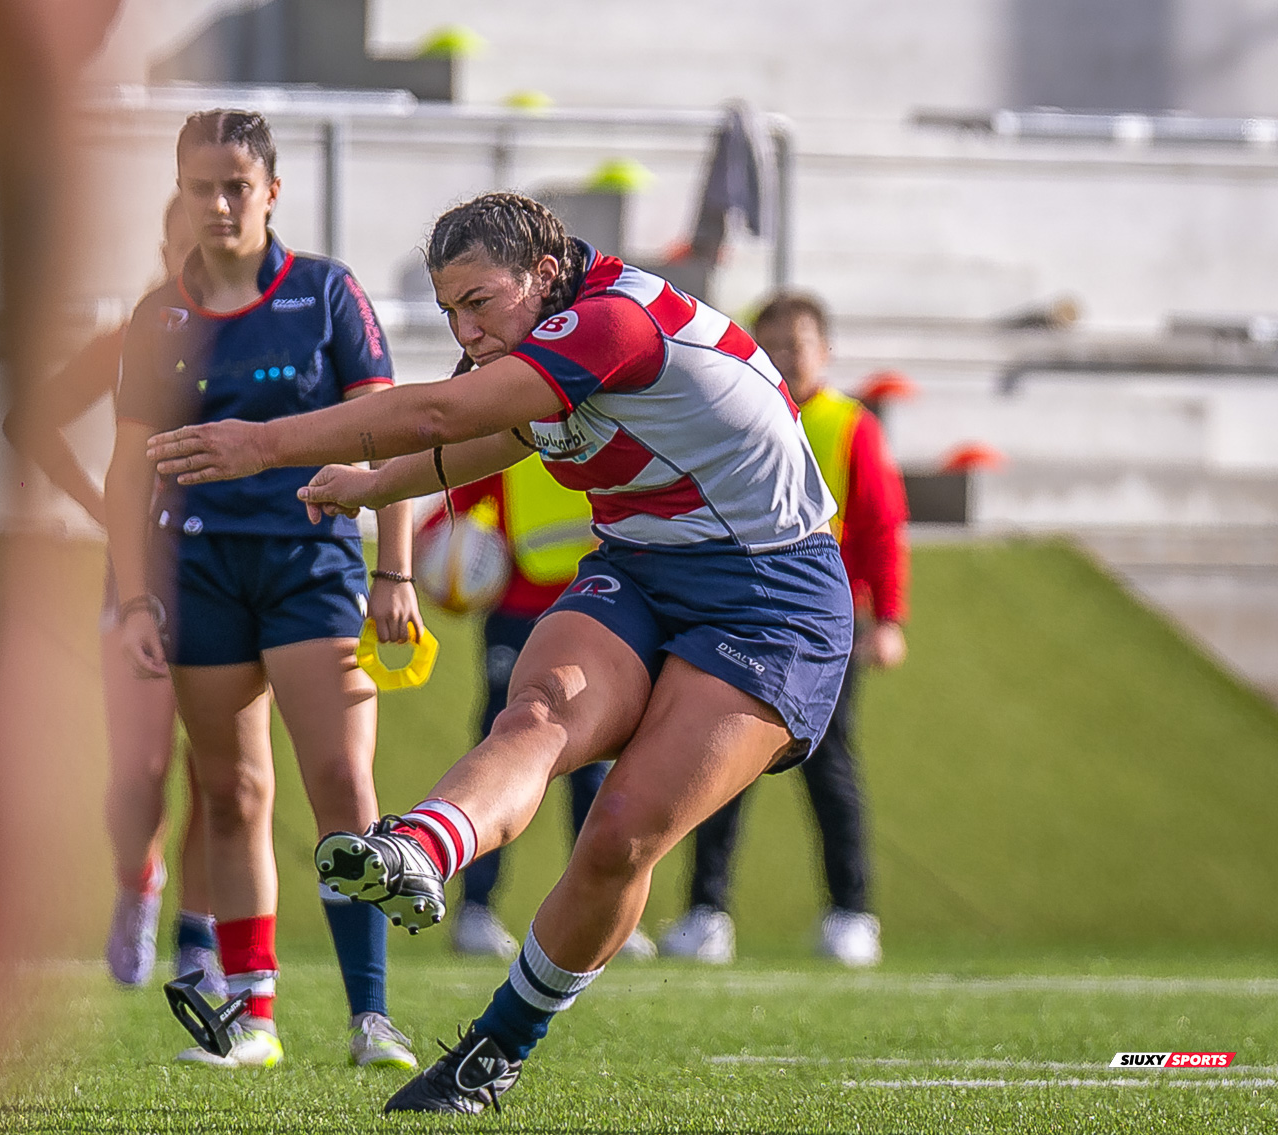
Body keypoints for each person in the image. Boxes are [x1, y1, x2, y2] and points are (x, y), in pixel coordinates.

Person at [148, 192, 853, 1113]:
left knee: (620, 834)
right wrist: (372, 484)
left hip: (773, 600)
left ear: (545, 276)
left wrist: (263, 444)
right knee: (540, 710)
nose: (463, 326)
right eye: (448, 308)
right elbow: (497, 436)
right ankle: (419, 851)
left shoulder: (611, 323)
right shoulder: (544, 341)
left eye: (478, 301)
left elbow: (441, 415)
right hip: (641, 571)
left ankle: (495, 1049)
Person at [104, 110, 421, 1070]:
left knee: (341, 780)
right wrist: (132, 598)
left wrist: (393, 568)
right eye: (201, 185)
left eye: (238, 184)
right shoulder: (158, 317)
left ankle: (372, 1016)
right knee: (234, 791)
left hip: (312, 566)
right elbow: (128, 472)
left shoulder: (327, 294)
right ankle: (254, 1016)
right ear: (180, 191)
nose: (220, 202)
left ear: (273, 191)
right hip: (200, 573)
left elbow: (391, 436)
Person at [4, 197, 222, 993]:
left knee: (224, 773)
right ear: (163, 249)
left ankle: (199, 935)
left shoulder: (276, 334)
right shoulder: (136, 338)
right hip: (141, 578)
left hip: (241, 575)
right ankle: (138, 887)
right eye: (183, 244)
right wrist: (108, 511)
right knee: (138, 772)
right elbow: (31, 417)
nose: (200, 256)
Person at [661, 291, 908, 968]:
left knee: (828, 765)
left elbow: (883, 524)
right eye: (770, 342)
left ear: (824, 352)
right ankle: (706, 913)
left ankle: (852, 913)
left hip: (826, 625)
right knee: (720, 759)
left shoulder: (850, 424)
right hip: (739, 611)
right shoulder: (734, 412)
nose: (784, 356)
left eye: (797, 343)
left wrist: (887, 618)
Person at [435, 458, 657, 962]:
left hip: (601, 614)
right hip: (517, 616)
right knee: (503, 754)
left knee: (595, 767)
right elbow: (452, 516)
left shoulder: (615, 434)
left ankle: (604, 914)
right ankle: (475, 911)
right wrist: (443, 565)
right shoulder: (509, 443)